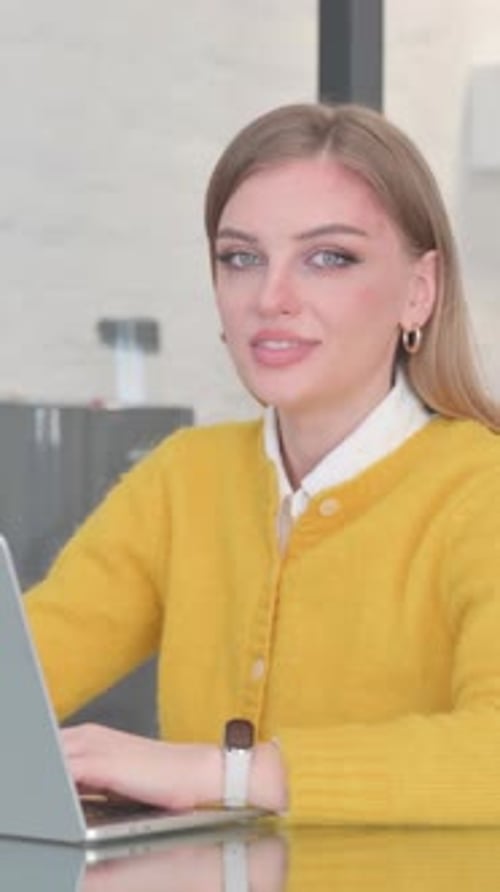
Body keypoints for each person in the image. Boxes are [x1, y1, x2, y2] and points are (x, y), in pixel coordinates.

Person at [26, 102, 500, 826]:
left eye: (329, 258)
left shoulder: (481, 492)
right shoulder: (183, 480)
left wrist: (219, 774)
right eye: (241, 258)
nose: (270, 300)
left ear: (419, 290)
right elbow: (24, 677)